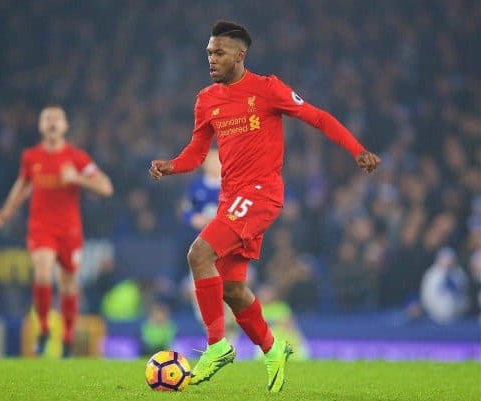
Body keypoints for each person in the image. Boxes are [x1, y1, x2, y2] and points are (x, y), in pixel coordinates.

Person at [149, 20, 381, 392]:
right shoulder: (206, 99)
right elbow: (196, 153)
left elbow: (318, 117)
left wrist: (358, 150)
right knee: (232, 289)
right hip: (231, 198)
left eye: (219, 52)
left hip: (261, 193)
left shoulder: (268, 89)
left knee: (198, 255)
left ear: (240, 55)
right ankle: (274, 350)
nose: (211, 58)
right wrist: (171, 165)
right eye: (209, 52)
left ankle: (217, 346)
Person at [0, 105, 113, 357]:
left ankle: (68, 335)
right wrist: (7, 211)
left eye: (57, 119)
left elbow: (106, 188)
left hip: (69, 231)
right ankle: (45, 328)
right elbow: (23, 184)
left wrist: (77, 179)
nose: (52, 123)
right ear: (40, 126)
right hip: (41, 228)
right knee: (43, 271)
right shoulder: (31, 157)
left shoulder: (76, 158)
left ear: (65, 126)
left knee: (68, 284)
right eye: (47, 118)